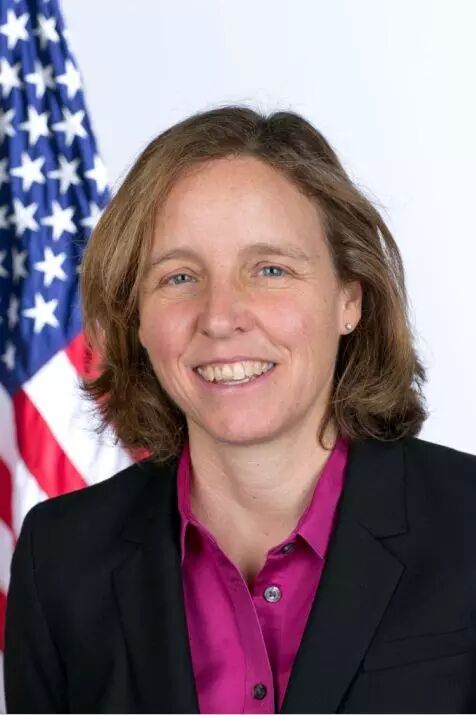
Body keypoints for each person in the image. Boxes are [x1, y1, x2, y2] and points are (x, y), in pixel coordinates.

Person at [3, 105, 476, 715]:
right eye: (178, 277)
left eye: (270, 269)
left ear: (349, 299)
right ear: (135, 317)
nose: (221, 317)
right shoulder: (60, 560)